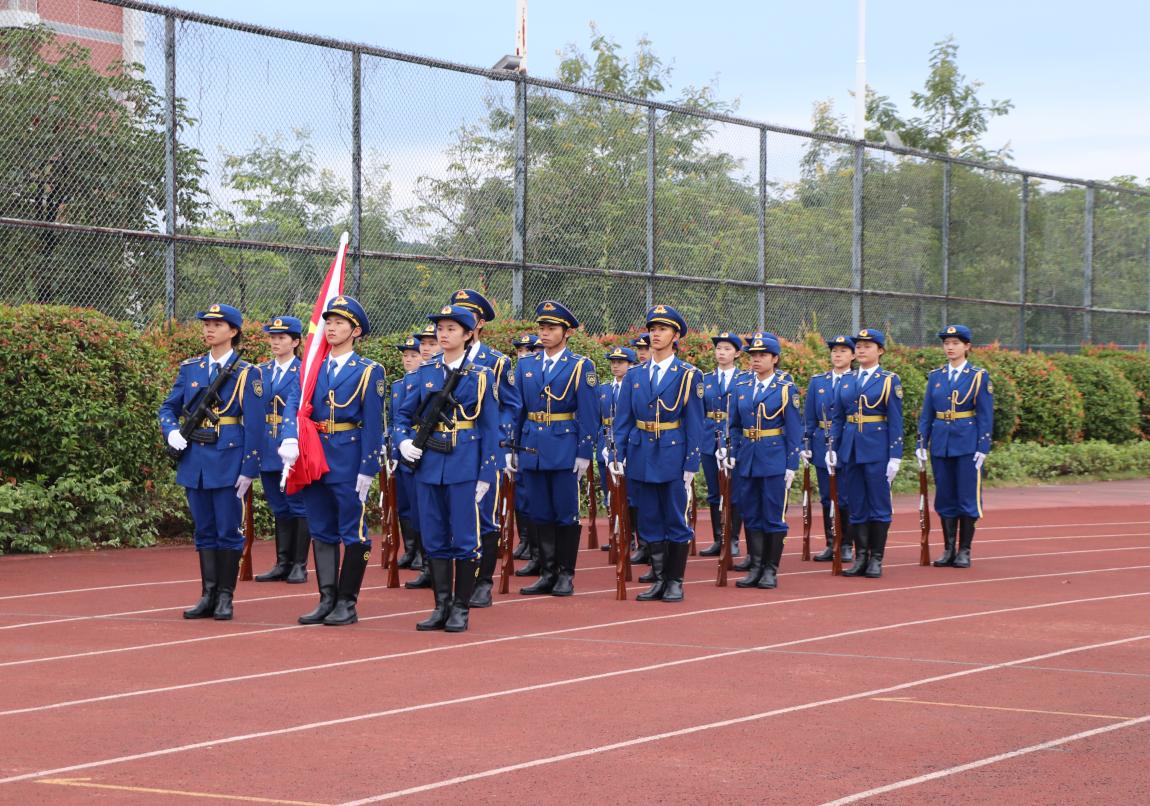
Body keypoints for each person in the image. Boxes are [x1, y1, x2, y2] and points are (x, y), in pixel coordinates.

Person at [280, 296, 386, 626]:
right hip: (314, 457)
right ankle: (326, 599)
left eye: (340, 323)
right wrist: (289, 437)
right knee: (321, 529)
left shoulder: (369, 371)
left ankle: (347, 602)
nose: (331, 328)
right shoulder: (313, 367)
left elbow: (373, 423)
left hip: (348, 457)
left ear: (356, 331)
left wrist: (368, 468)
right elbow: (294, 404)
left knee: (353, 531)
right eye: (328, 322)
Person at [395, 305, 501, 632]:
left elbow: (490, 428)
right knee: (434, 537)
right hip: (429, 463)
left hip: (464, 464)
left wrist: (486, 474)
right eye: (440, 328)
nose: (443, 334)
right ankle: (441, 605)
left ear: (468, 334)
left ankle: (460, 608)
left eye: (451, 328)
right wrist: (403, 442)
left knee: (465, 539)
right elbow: (402, 416)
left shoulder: (480, 376)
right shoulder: (425, 372)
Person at [159, 303, 264, 621]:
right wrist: (171, 431)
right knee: (204, 530)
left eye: (217, 325)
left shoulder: (247, 373)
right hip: (195, 460)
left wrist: (249, 468)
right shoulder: (191, 368)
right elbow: (168, 407)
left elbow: (255, 425)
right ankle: (208, 594)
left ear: (233, 331)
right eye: (206, 323)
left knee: (228, 531)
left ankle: (225, 597)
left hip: (228, 459)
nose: (209, 329)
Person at [611, 305, 705, 602]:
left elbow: (695, 422)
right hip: (641, 452)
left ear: (675, 335)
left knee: (675, 518)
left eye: (663, 329)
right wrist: (616, 454)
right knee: (649, 519)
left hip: (672, 453)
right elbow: (623, 419)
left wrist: (691, 462)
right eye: (652, 329)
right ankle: (660, 578)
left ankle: (675, 581)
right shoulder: (635, 375)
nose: (655, 334)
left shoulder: (688, 375)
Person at [515, 300, 599, 597]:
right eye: (542, 327)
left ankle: (565, 574)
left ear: (567, 332)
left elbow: (589, 413)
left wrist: (584, 452)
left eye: (551, 328)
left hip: (564, 447)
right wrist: (514, 447)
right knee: (539, 512)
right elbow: (518, 410)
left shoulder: (580, 366)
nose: (545, 333)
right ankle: (547, 572)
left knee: (565, 513)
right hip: (532, 447)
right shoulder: (526, 365)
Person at [446, 289, 523, 609]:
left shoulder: (496, 362)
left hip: (482, 448)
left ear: (477, 324)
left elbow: (511, 405)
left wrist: (496, 439)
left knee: (484, 515)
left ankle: (482, 581)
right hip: (448, 448)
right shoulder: (442, 359)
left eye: (466, 317)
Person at [724, 333, 802, 588]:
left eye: (762, 355)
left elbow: (794, 429)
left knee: (772, 515)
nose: (756, 359)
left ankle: (770, 569)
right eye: (753, 355)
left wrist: (791, 464)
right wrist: (732, 451)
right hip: (747, 458)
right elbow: (735, 425)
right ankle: (756, 567)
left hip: (773, 458)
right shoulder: (742, 387)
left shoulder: (785, 389)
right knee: (751, 513)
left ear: (775, 358)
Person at [827, 328, 904, 579]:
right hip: (850, 449)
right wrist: (832, 448)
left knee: (879, 504)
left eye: (867, 346)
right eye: (858, 346)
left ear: (880, 350)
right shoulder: (846, 379)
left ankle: (876, 558)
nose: (860, 350)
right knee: (856, 504)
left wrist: (895, 455)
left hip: (877, 449)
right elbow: (838, 418)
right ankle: (861, 557)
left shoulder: (888, 380)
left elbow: (895, 420)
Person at [917, 325, 994, 568]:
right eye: (946, 343)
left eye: (955, 343)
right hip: (941, 443)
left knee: (967, 497)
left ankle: (964, 550)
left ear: (967, 346)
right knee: (945, 496)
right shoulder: (936, 376)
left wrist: (983, 446)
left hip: (967, 443)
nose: (950, 347)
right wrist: (922, 442)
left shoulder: (978, 376)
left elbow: (985, 414)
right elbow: (927, 413)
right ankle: (948, 548)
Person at [253, 316, 310, 584]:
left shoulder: (303, 371)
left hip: (291, 443)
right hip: (267, 444)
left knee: (297, 504)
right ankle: (282, 562)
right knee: (278, 505)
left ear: (295, 342)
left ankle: (299, 564)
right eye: (273, 337)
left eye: (282, 338)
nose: (275, 342)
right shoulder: (261, 371)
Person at [801, 335, 857, 564]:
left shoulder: (857, 380)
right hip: (821, 442)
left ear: (853, 355)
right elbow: (809, 417)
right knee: (827, 496)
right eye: (834, 351)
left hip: (847, 441)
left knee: (845, 496)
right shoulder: (819, 382)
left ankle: (846, 544)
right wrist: (805, 444)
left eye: (843, 351)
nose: (837, 355)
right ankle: (831, 541)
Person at [699, 332, 748, 559]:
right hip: (709, 438)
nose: (721, 353)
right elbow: (699, 411)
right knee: (714, 492)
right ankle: (718, 538)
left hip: (734, 439)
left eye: (727, 349)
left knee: (734, 491)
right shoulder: (705, 379)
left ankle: (733, 538)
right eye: (719, 348)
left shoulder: (744, 379)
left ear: (737, 353)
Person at [597, 346, 640, 553]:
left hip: (627, 444)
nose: (615, 366)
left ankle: (632, 535)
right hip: (605, 443)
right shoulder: (604, 389)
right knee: (610, 493)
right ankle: (616, 534)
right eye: (613, 362)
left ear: (631, 365)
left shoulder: (635, 388)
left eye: (620, 362)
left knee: (630, 495)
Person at [392, 335, 426, 573]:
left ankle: (423, 554)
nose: (408, 359)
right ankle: (410, 549)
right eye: (405, 356)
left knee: (418, 504)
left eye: (414, 355)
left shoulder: (426, 380)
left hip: (419, 446)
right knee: (403, 503)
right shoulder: (397, 385)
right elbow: (395, 420)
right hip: (401, 448)